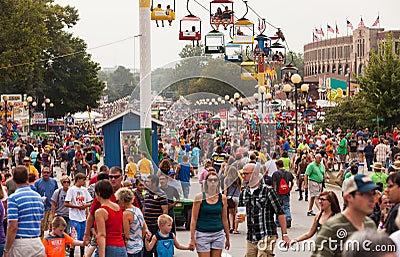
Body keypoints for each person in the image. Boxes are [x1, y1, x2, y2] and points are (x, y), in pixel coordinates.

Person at [312, 174, 378, 257]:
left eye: (373, 194)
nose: (372, 199)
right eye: (366, 194)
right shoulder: (332, 227)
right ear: (349, 197)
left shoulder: (370, 225)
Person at [237, 163, 290, 257]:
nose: (243, 176)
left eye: (246, 174)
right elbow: (241, 213)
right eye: (242, 174)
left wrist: (284, 234)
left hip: (267, 234)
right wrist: (239, 219)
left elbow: (280, 213)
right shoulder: (244, 193)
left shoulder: (268, 191)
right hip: (251, 236)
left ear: (255, 174)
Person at [3, 166, 45, 257]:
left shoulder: (13, 198)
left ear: (13, 179)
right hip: (37, 242)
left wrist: (6, 250)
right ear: (27, 178)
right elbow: (40, 222)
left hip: (21, 244)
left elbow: (13, 227)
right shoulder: (38, 197)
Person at [189, 171, 230, 256]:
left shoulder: (222, 198)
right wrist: (192, 238)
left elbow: (224, 219)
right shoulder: (199, 197)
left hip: (218, 233)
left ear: (218, 182)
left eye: (215, 180)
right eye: (210, 180)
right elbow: (194, 219)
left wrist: (228, 237)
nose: (213, 182)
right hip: (202, 233)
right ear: (206, 182)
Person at [94, 180, 127, 257]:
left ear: (98, 193)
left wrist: (101, 255)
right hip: (121, 246)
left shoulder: (100, 211)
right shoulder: (117, 207)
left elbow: (102, 235)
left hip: (108, 247)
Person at [65, 173, 93, 257]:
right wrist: (76, 206)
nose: (84, 182)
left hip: (83, 217)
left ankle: (82, 253)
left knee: (82, 236)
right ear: (78, 180)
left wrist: (85, 205)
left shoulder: (84, 190)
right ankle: (72, 253)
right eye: (83, 180)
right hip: (74, 217)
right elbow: (66, 203)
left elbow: (89, 201)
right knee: (74, 237)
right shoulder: (72, 190)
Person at [116, 187, 149, 257]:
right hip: (139, 246)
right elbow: (144, 228)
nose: (118, 203)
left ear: (122, 200)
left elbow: (126, 235)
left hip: (130, 249)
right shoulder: (137, 210)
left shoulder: (126, 214)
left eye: (118, 200)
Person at [143, 175, 168, 257]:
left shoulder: (161, 194)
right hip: (147, 226)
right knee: (147, 250)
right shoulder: (146, 193)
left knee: (158, 249)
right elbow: (144, 208)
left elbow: (165, 211)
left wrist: (162, 227)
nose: (146, 183)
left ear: (154, 183)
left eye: (148, 182)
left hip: (156, 226)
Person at [34, 166, 58, 238]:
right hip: (41, 208)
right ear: (41, 173)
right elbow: (35, 194)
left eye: (48, 172)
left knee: (52, 226)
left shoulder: (54, 182)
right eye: (44, 172)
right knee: (41, 227)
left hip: (51, 208)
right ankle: (41, 242)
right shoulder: (37, 183)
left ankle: (51, 241)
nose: (46, 174)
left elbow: (56, 193)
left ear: (50, 173)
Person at [272, 160, 294, 228]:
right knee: (286, 206)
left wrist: (274, 191)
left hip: (278, 192)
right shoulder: (288, 173)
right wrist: (290, 188)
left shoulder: (275, 173)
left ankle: (278, 222)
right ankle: (288, 218)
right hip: (286, 192)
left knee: (278, 207)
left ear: (277, 166)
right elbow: (292, 182)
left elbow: (274, 184)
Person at [223, 166, 241, 234]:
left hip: (229, 197)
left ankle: (230, 227)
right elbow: (239, 189)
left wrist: (224, 198)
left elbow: (225, 190)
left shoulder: (226, 179)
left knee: (230, 213)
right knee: (236, 213)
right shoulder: (238, 179)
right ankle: (235, 229)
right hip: (237, 197)